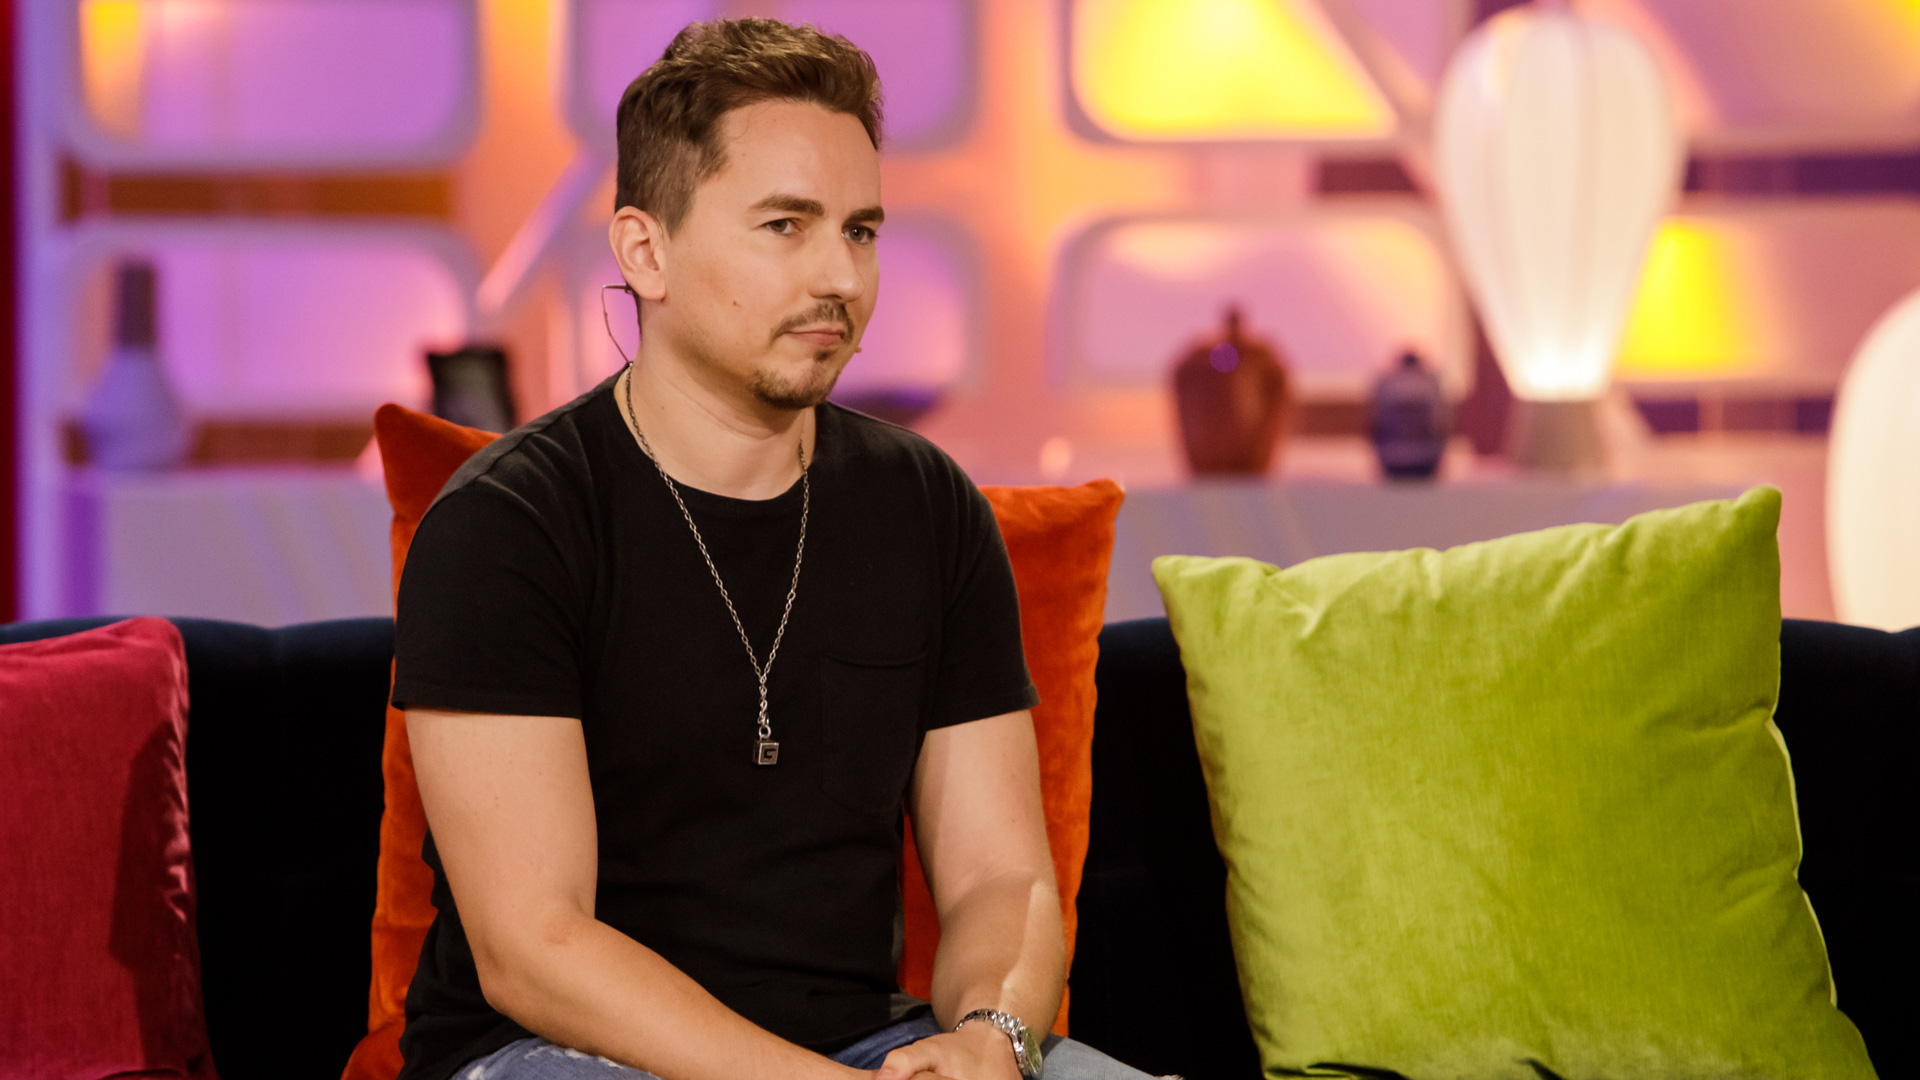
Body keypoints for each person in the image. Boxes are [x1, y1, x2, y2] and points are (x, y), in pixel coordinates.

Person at [392, 19, 1153, 1080]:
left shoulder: (924, 505)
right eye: (786, 226)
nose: (840, 274)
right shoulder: (509, 523)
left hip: (864, 1048)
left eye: (861, 230)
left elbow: (1001, 879)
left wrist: (992, 1038)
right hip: (556, 1052)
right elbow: (537, 949)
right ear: (645, 251)